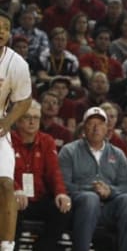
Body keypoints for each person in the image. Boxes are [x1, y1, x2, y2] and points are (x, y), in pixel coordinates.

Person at [58, 107, 127, 251]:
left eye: (101, 124)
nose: (96, 128)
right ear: (84, 127)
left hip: (108, 208)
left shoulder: (118, 154)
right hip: (79, 207)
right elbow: (63, 184)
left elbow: (126, 186)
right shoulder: (69, 151)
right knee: (90, 198)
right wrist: (91, 190)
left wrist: (110, 191)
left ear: (107, 128)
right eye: (91, 123)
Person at [12, 101, 72, 250]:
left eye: (36, 118)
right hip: (14, 198)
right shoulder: (6, 140)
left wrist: (61, 193)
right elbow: (3, 172)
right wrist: (15, 189)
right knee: (10, 209)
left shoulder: (47, 141)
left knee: (63, 209)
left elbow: (54, 172)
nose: (32, 122)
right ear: (17, 120)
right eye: (27, 117)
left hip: (39, 197)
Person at [0, 9, 33, 251]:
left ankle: (7, 247)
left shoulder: (16, 63)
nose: (1, 31)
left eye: (5, 27)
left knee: (6, 184)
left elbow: (24, 100)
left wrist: (7, 122)